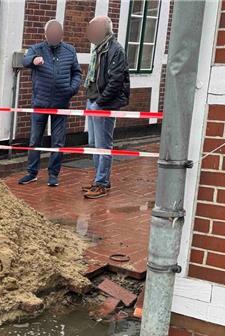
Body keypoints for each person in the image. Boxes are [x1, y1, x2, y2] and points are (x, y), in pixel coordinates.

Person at [18, 20, 81, 187]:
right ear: (45, 35)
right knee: (34, 140)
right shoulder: (36, 49)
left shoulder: (70, 50)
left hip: (61, 104)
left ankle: (53, 174)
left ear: (61, 35)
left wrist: (71, 89)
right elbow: (24, 61)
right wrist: (33, 60)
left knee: (58, 142)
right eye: (50, 33)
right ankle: (31, 173)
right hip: (40, 103)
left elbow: (77, 73)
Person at [82, 15, 130, 199]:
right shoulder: (99, 49)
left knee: (103, 145)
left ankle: (101, 183)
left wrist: (101, 102)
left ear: (104, 30)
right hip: (94, 99)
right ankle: (99, 179)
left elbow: (116, 80)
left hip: (103, 103)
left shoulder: (115, 50)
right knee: (94, 144)